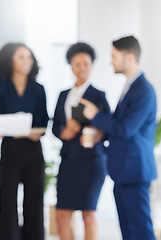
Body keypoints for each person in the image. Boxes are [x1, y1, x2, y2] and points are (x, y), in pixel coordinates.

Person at [80, 35, 157, 240]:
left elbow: (125, 129)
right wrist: (99, 134)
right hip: (123, 172)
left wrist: (95, 115)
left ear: (129, 57)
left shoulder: (143, 91)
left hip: (135, 173)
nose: (110, 61)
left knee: (142, 232)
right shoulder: (130, 86)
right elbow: (119, 127)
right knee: (128, 233)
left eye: (114, 56)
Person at [0, 43, 49, 240]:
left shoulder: (39, 90)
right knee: (7, 204)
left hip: (33, 152)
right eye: (21, 57)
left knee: (34, 203)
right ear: (10, 61)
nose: (27, 61)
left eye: (29, 57)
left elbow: (43, 122)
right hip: (10, 152)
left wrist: (30, 131)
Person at [52, 42, 110, 240]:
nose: (81, 68)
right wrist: (64, 132)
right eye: (76, 64)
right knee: (62, 214)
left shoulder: (99, 96)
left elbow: (109, 129)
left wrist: (93, 132)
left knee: (88, 214)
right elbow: (55, 127)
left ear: (92, 65)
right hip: (69, 160)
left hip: (92, 160)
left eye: (85, 63)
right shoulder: (62, 96)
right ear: (71, 67)